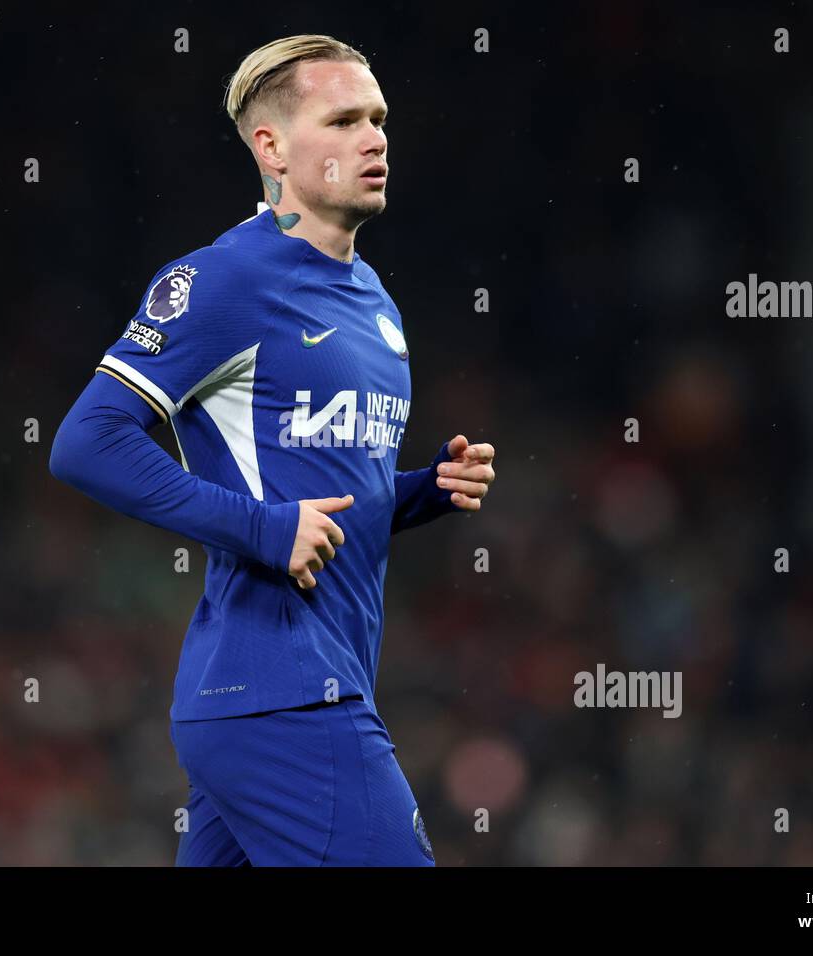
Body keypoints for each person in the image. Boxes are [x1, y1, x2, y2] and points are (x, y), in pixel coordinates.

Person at [49, 34, 496, 866]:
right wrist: (261, 529)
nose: (375, 139)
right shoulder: (223, 280)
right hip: (286, 696)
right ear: (272, 147)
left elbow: (314, 496)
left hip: (278, 695)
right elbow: (85, 441)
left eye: (379, 119)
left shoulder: (374, 300)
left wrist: (420, 490)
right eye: (344, 120)